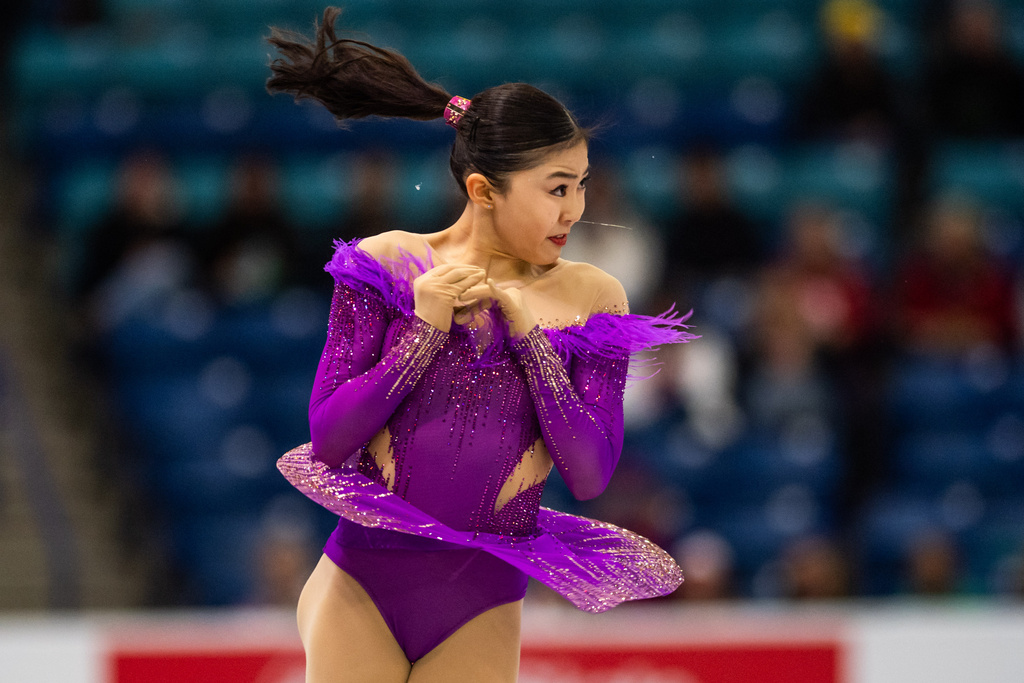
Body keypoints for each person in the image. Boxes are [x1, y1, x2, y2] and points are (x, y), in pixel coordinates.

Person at [265, 8, 696, 682]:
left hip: (483, 598)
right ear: (482, 190)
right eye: (556, 189)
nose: (574, 210)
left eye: (579, 185)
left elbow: (589, 474)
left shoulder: (592, 297)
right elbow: (329, 438)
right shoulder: (390, 264)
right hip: (363, 583)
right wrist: (422, 333)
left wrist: (530, 338)